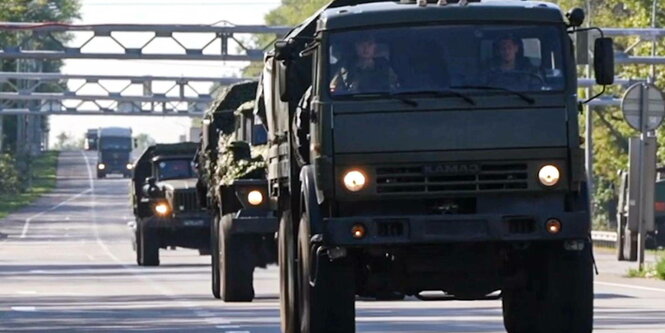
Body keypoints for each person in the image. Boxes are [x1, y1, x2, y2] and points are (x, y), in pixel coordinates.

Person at [330, 33, 398, 94]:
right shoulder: (346, 67)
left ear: (374, 46)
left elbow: (394, 88)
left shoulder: (384, 67)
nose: (366, 48)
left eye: (369, 44)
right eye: (361, 45)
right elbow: (334, 88)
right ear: (356, 46)